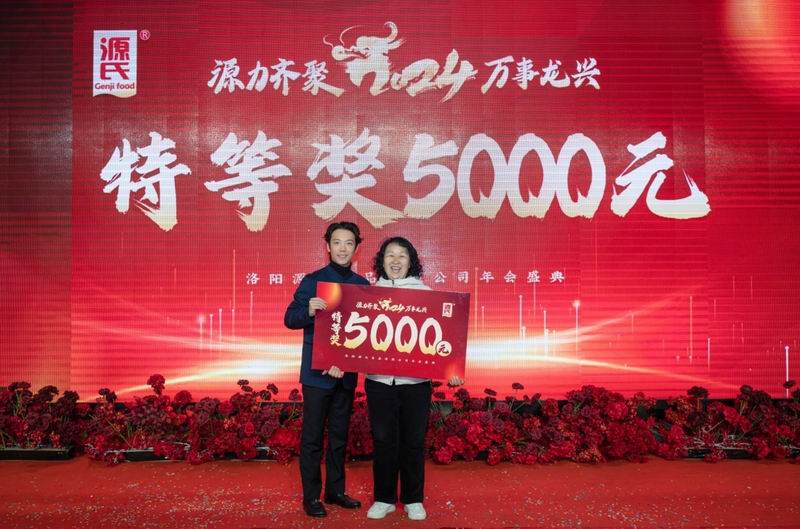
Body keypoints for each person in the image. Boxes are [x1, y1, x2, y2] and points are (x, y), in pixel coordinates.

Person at [364, 237, 464, 521]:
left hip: (416, 384)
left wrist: (452, 368)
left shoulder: (427, 295)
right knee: (383, 439)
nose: (395, 261)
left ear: (411, 261)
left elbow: (445, 335)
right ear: (381, 260)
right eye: (390, 255)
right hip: (379, 381)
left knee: (413, 440)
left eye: (402, 256)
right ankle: (383, 498)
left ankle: (413, 499)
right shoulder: (367, 295)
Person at [284, 221, 369, 518]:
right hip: (316, 375)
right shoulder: (313, 281)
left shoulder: (362, 285)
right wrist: (308, 310)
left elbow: (367, 333)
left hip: (345, 375)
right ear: (328, 247)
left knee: (339, 437)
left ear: (356, 248)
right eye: (337, 242)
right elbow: (290, 318)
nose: (343, 248)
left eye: (349, 243)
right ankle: (311, 496)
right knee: (312, 438)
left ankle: (335, 491)